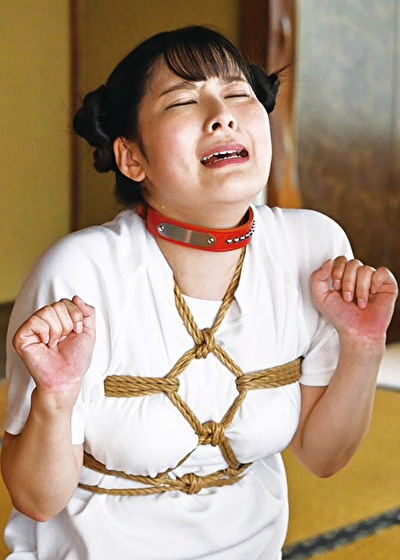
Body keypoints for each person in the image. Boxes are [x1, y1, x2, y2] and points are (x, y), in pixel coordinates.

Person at [1, 25, 397, 560]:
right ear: (132, 158)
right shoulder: (81, 274)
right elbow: (37, 500)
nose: (223, 115)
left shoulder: (312, 248)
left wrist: (363, 345)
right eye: (184, 101)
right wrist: (55, 395)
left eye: (238, 94)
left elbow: (323, 456)